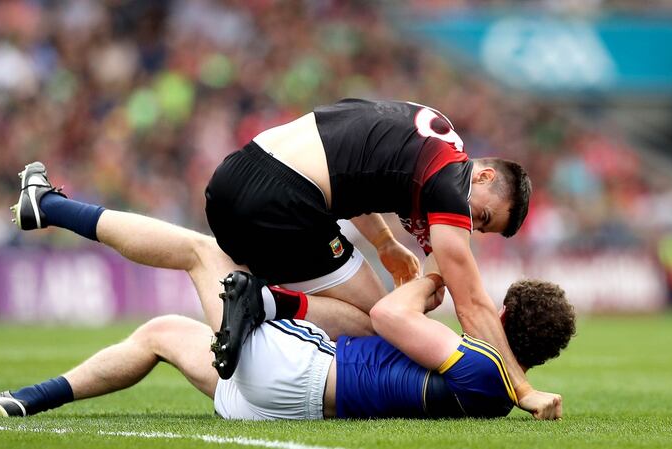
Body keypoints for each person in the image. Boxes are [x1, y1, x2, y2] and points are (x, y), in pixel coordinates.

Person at [0, 165, 575, 419]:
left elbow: (390, 314)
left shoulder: (485, 368)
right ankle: (20, 403)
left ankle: (53, 207)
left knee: (201, 250)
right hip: (275, 404)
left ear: (504, 314)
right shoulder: (496, 394)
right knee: (162, 335)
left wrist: (431, 280)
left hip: (297, 374)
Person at [204, 99, 553, 411]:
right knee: (377, 322)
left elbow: (351, 167)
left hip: (232, 179)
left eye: (480, 228)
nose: (471, 226)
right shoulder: (452, 184)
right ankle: (263, 303)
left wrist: (386, 244)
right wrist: (521, 388)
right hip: (283, 198)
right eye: (483, 217)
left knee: (355, 304)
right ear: (484, 176)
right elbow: (472, 304)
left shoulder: (431, 139)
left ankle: (256, 316)